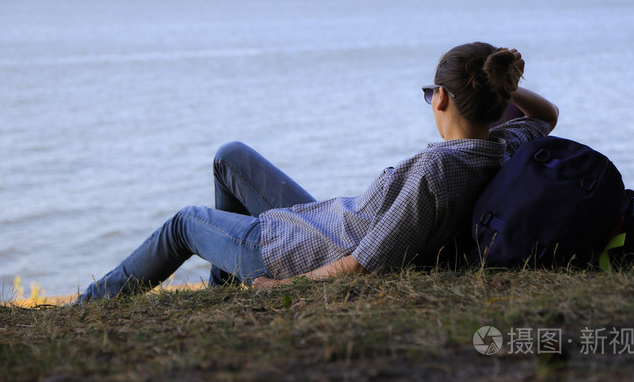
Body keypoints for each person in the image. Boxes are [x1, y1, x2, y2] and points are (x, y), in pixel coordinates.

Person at [76, 42, 558, 301]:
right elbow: (548, 117)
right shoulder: (504, 145)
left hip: (292, 253)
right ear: (499, 102)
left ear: (442, 98)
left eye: (430, 92)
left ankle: (89, 306)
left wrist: (278, 288)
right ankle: (222, 292)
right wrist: (506, 83)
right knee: (230, 157)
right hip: (323, 220)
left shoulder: (436, 171)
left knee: (184, 222)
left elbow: (364, 263)